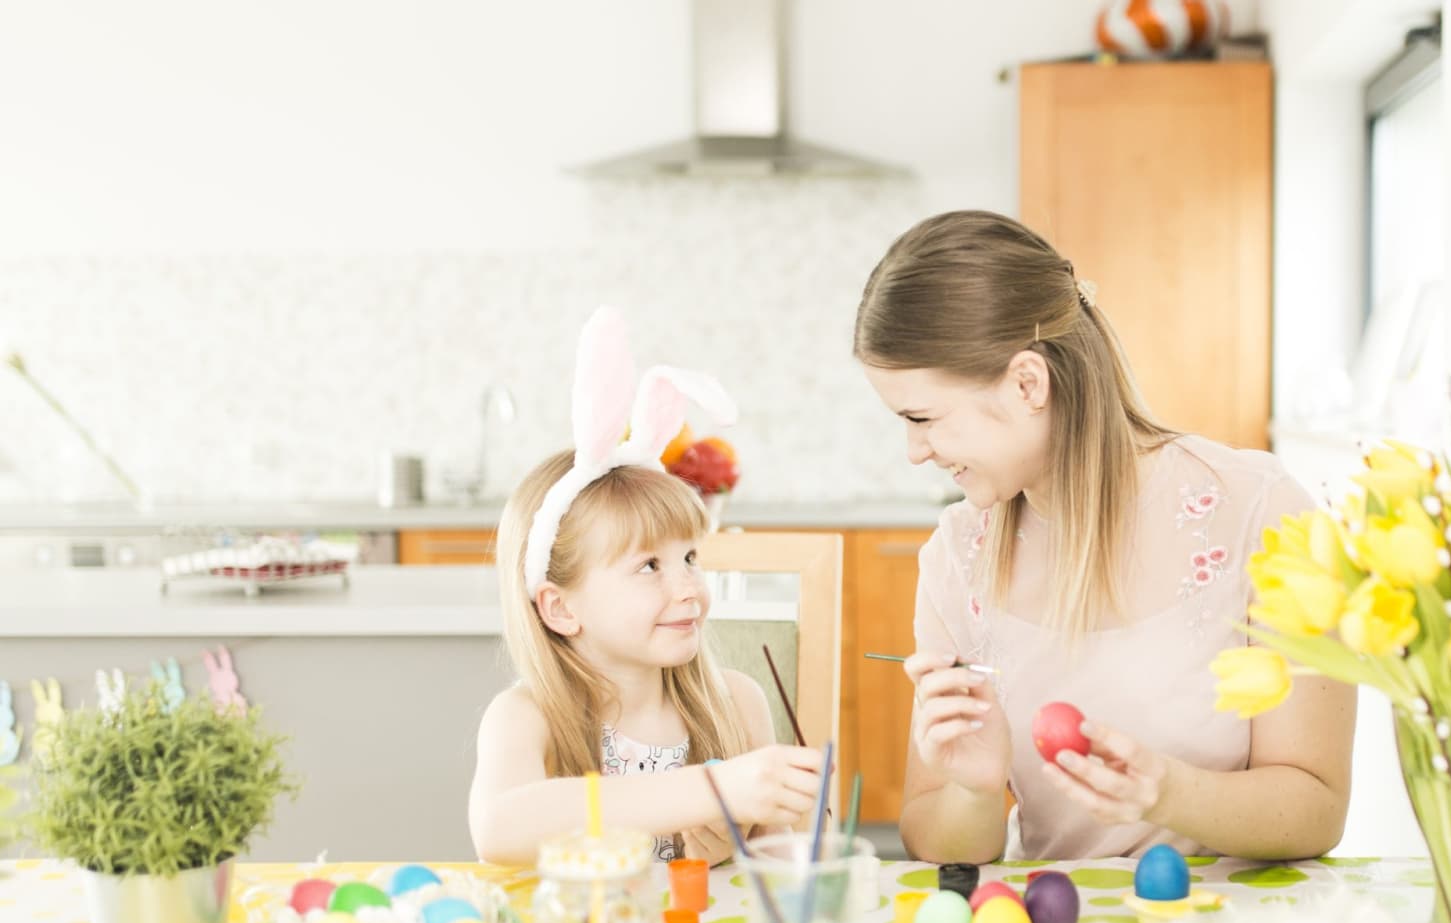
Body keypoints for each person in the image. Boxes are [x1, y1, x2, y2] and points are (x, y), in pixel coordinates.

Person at [853, 211, 1356, 862]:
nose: (915, 451)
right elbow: (936, 839)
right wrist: (974, 793)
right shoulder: (958, 556)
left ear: (1028, 383)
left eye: (923, 418)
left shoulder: (1263, 513)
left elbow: (1317, 808)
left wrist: (1171, 794)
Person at [468, 309, 822, 866]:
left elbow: (780, 864)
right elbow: (499, 830)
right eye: (649, 567)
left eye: (688, 557)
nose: (689, 589)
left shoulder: (736, 703)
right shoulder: (527, 717)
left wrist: (738, 845)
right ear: (560, 608)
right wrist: (709, 791)